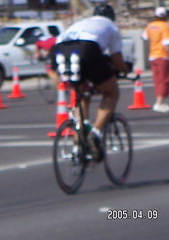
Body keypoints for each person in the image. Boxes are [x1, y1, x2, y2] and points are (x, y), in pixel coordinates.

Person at [50, 3, 128, 162]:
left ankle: (79, 143)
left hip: (60, 48)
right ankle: (96, 133)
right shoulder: (111, 27)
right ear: (112, 17)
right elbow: (117, 59)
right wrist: (124, 71)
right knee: (111, 93)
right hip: (87, 48)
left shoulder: (82, 23)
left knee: (82, 95)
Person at [142, 7, 169, 113]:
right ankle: (160, 102)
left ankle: (159, 101)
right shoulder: (165, 26)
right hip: (162, 55)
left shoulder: (150, 25)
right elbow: (167, 43)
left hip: (153, 55)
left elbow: (144, 37)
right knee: (164, 79)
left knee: (157, 80)